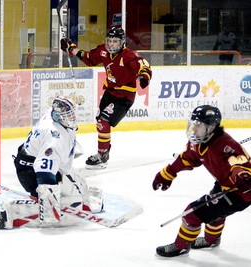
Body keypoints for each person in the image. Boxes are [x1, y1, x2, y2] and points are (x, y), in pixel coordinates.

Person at [0, 96, 103, 229]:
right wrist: (48, 199)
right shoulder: (55, 137)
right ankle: (9, 215)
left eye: (71, 114)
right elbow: (44, 169)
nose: (72, 118)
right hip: (32, 172)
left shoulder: (52, 115)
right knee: (62, 216)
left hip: (32, 161)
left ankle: (87, 203)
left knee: (77, 178)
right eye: (67, 115)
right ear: (58, 116)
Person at [152, 105, 251, 257]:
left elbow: (240, 164)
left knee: (192, 213)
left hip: (240, 193)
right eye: (194, 124)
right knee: (215, 213)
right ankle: (211, 240)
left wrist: (242, 176)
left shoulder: (226, 146)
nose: (194, 129)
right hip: (223, 184)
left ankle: (181, 246)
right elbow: (186, 158)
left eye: (199, 126)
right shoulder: (198, 142)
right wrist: (167, 174)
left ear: (211, 127)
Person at [60, 27, 152, 169]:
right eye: (109, 41)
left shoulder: (128, 56)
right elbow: (89, 58)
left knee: (104, 122)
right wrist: (71, 48)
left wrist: (145, 76)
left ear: (121, 42)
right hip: (109, 93)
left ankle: (102, 155)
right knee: (100, 123)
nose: (111, 44)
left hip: (124, 96)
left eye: (114, 41)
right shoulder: (103, 51)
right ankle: (104, 151)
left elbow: (142, 65)